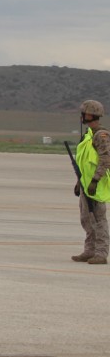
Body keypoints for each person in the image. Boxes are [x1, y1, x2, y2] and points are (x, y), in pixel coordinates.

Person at [73, 100, 110, 266]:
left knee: (99, 219)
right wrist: (78, 182)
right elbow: (84, 162)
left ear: (89, 115)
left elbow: (105, 159)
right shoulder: (88, 135)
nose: (81, 116)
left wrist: (95, 180)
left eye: (83, 113)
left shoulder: (101, 135)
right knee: (86, 218)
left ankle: (101, 253)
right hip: (85, 184)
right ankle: (89, 250)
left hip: (96, 185)